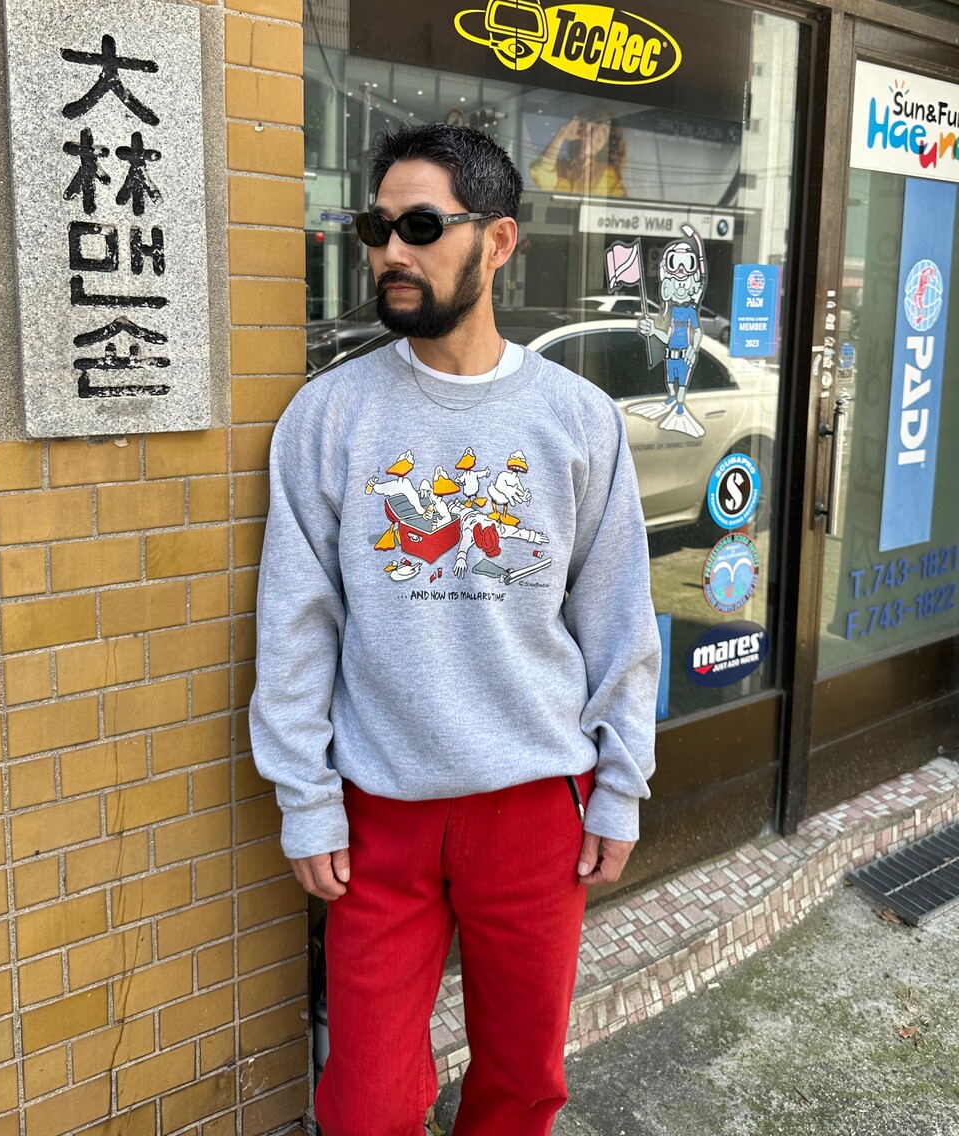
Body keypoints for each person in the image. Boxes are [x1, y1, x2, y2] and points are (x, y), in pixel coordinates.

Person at [250, 122, 660, 1136]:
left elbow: (616, 613)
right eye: (376, 228)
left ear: (498, 240)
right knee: (365, 1102)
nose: (392, 251)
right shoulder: (328, 415)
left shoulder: (578, 417)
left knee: (522, 1083)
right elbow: (297, 621)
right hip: (379, 810)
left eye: (422, 227)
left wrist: (620, 785)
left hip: (534, 804)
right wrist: (306, 797)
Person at [530, 114, 628, 197]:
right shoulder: (561, 169)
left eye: (602, 130)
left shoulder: (609, 175)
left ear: (607, 142)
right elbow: (540, 173)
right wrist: (562, 133)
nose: (591, 132)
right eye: (585, 126)